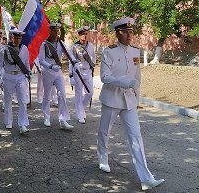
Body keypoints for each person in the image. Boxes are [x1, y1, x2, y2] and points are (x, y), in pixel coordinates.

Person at [97, 17, 165, 191]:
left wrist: (137, 99)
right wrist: (126, 82)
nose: (129, 35)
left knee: (136, 137)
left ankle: (146, 178)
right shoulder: (109, 52)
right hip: (112, 99)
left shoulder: (135, 51)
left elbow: (137, 79)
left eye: (131, 31)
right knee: (105, 131)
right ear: (117, 33)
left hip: (129, 101)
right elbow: (105, 76)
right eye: (125, 32)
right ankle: (103, 157)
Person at [38, 23, 76, 130]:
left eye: (57, 30)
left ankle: (63, 119)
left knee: (62, 94)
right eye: (54, 31)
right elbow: (41, 60)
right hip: (48, 71)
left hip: (58, 72)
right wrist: (50, 66)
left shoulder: (61, 43)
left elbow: (68, 53)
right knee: (47, 95)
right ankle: (46, 117)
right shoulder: (44, 44)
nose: (56, 33)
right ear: (49, 31)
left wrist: (74, 61)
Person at [1, 28, 31, 134]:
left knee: (22, 100)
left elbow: (26, 63)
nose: (17, 39)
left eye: (19, 37)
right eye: (15, 37)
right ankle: (8, 121)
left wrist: (28, 73)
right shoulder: (5, 49)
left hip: (20, 76)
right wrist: (0, 77)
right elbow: (1, 64)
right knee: (8, 100)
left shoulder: (24, 49)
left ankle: (23, 123)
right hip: (8, 76)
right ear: (11, 37)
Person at [69, 26, 96, 124]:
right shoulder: (74, 47)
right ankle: (80, 114)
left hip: (87, 71)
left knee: (90, 92)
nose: (84, 36)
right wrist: (71, 75)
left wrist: (92, 68)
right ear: (78, 35)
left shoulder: (91, 46)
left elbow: (93, 57)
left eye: (86, 34)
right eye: (82, 34)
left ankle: (82, 109)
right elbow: (70, 62)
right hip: (78, 72)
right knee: (79, 94)